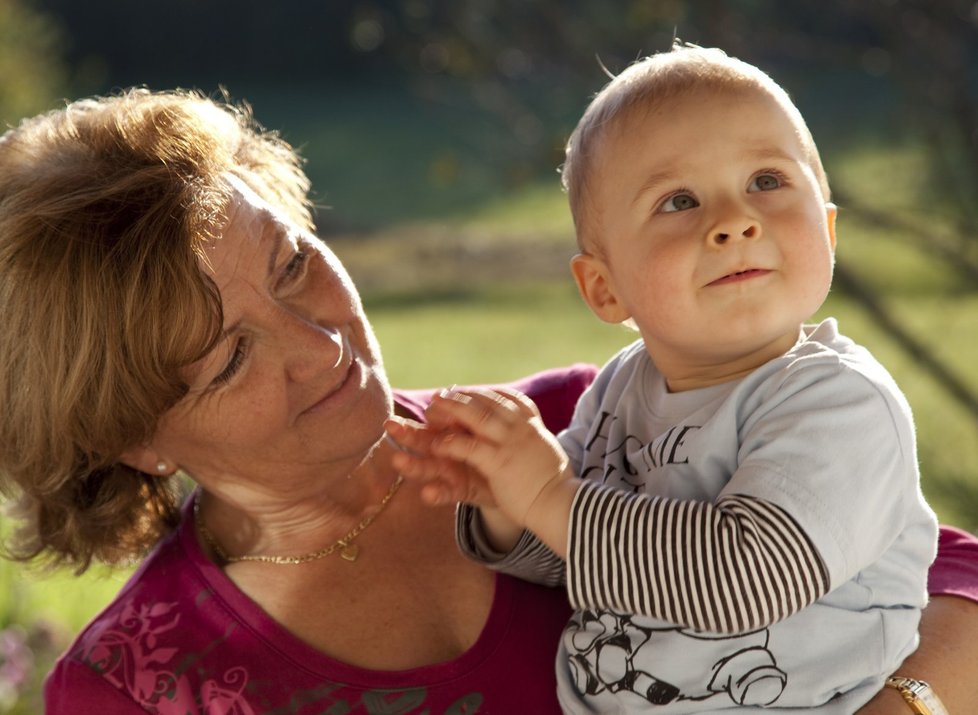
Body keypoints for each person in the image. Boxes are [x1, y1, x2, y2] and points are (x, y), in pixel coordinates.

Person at [0, 88, 974, 715]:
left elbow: (954, 580)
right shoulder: (132, 688)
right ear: (130, 439)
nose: (320, 340)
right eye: (229, 359)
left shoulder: (587, 429)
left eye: (294, 263)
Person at [386, 45, 953, 714]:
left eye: (767, 180)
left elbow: (744, 580)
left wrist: (546, 492)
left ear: (828, 229)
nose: (734, 221)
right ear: (604, 287)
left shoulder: (841, 405)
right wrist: (507, 503)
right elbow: (579, 551)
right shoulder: (621, 391)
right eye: (679, 200)